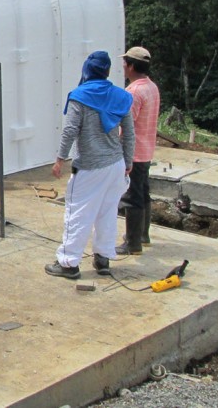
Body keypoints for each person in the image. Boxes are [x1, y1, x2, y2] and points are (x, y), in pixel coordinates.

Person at [46, 51, 135, 280]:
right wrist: (128, 161)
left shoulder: (80, 96)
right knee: (107, 213)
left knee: (77, 213)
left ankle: (68, 264)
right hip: (115, 164)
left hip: (90, 167)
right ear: (106, 71)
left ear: (87, 70)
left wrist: (60, 159)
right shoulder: (120, 96)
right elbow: (129, 133)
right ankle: (103, 259)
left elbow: (70, 130)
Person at [116, 46, 161, 255]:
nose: (123, 67)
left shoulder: (133, 92)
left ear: (132, 66)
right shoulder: (152, 87)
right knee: (142, 193)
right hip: (146, 149)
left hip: (133, 152)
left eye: (125, 63)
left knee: (131, 196)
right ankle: (143, 234)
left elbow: (127, 126)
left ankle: (133, 243)